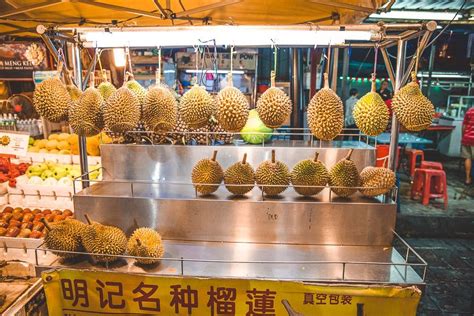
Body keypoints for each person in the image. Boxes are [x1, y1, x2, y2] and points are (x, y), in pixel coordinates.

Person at [461, 106, 474, 185]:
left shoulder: (470, 111)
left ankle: (467, 179)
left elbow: (464, 126)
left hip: (467, 138)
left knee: (467, 158)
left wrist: (463, 137)